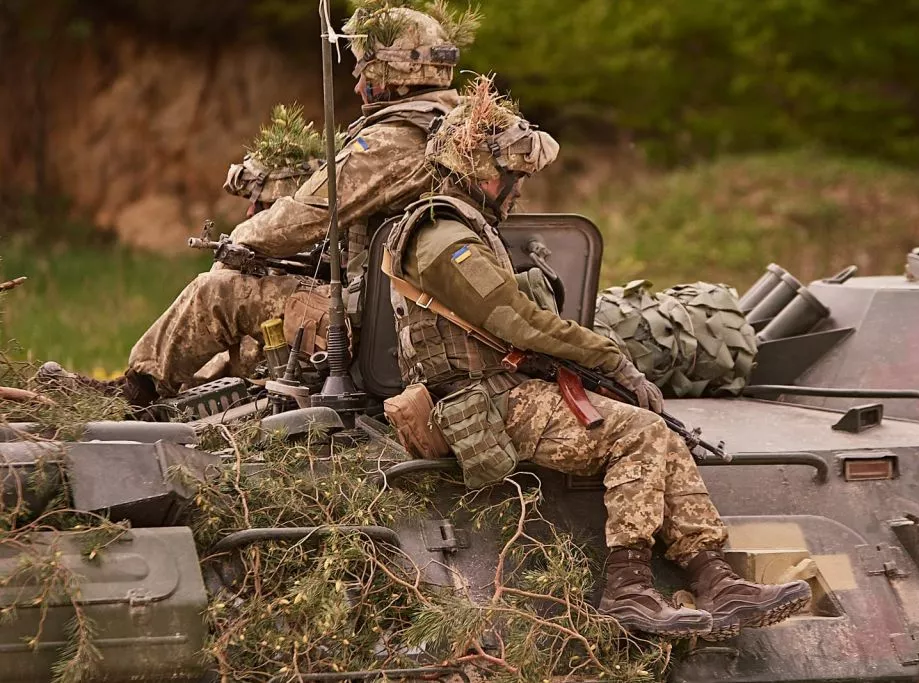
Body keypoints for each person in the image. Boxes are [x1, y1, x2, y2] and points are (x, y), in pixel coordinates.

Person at [382, 76, 812, 640]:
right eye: (515, 177)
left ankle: (716, 578)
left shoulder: (462, 227)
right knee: (637, 433)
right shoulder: (441, 238)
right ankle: (628, 591)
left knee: (660, 431)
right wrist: (612, 359)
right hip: (483, 405)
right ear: (484, 173)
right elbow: (515, 320)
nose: (518, 190)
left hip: (505, 392)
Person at [52, 3, 477, 405]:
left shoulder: (390, 143)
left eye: (364, 71)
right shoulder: (455, 135)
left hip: (366, 328)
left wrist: (237, 242)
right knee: (269, 285)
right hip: (417, 328)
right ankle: (200, 388)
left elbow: (303, 218)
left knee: (220, 291)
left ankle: (135, 390)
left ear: (389, 73)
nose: (356, 85)